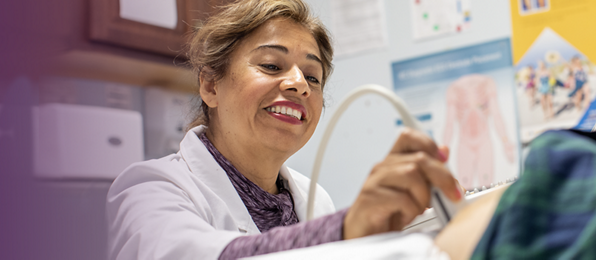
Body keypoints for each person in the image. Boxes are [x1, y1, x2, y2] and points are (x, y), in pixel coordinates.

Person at [105, 0, 463, 259]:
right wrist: (343, 230)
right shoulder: (150, 188)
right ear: (211, 86)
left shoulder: (314, 199)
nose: (299, 84)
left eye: (312, 76)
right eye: (272, 65)